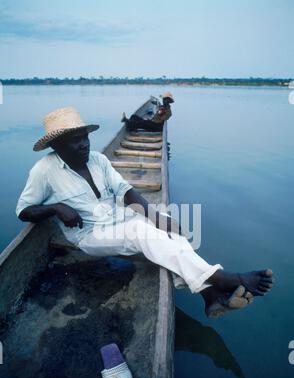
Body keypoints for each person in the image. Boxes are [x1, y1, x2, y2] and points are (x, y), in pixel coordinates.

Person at [16, 106, 273, 319]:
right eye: (74, 141)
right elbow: (24, 211)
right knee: (141, 231)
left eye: (84, 137)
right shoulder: (44, 171)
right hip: (89, 235)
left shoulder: (98, 160)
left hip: (118, 219)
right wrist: (56, 207)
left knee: (168, 226)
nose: (83, 145)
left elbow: (126, 190)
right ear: (57, 146)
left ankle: (210, 296)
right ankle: (223, 278)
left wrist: (155, 216)